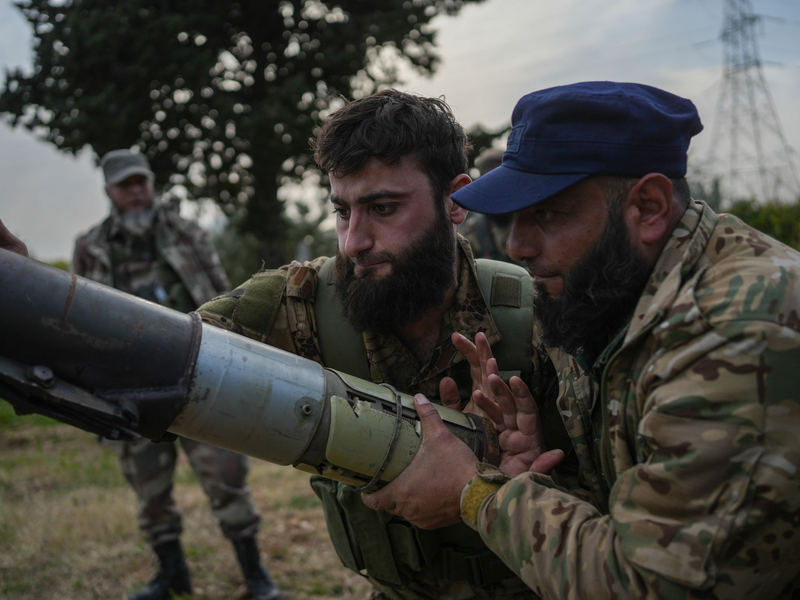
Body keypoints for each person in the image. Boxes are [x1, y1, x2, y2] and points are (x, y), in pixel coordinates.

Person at [361, 82, 800, 599]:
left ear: (650, 207)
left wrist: (475, 493)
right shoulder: (603, 290)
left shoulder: (739, 334)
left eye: (547, 214)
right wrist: (539, 475)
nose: (517, 246)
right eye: (511, 218)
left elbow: (653, 584)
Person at [197, 89, 568, 600]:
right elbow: (169, 353)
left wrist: (508, 484)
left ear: (455, 200)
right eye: (343, 212)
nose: (353, 243)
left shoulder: (540, 314)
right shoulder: (301, 300)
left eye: (384, 208)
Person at [72, 150, 281, 600]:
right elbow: (78, 323)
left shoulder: (187, 234)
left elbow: (224, 295)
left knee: (226, 478)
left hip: (198, 375)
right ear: (110, 191)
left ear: (152, 183)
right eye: (125, 185)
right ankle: (171, 575)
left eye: (141, 182)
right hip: (129, 388)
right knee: (149, 489)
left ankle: (255, 575)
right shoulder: (91, 246)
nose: (136, 192)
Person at [457, 147, 517, 263]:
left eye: (499, 182)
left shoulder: (529, 223)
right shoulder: (474, 231)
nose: (495, 190)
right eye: (488, 184)